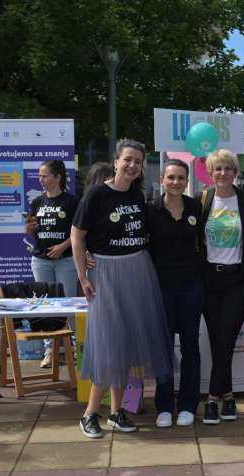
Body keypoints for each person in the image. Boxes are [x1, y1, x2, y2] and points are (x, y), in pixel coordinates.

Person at [71, 138, 172, 437]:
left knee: (125, 343)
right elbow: (77, 237)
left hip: (137, 271)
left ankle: (116, 412)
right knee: (108, 344)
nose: (131, 165)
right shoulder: (96, 195)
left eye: (137, 162)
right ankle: (90, 413)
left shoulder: (139, 197)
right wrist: (83, 276)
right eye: (127, 159)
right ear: (116, 161)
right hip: (106, 274)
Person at [198, 149, 244, 425]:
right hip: (210, 279)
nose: (223, 173)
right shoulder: (203, 200)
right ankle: (229, 395)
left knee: (225, 339)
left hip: (237, 280)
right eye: (218, 169)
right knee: (217, 341)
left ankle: (212, 398)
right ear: (210, 173)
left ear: (235, 172)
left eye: (228, 168)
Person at [147, 159, 204, 428]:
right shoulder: (151, 210)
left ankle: (189, 403)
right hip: (161, 288)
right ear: (162, 180)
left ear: (187, 180)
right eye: (171, 177)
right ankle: (165, 405)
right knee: (164, 348)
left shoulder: (195, 207)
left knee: (191, 346)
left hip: (192, 286)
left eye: (181, 178)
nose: (176, 182)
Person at [26, 161, 80, 368]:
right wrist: (29, 229)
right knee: (45, 305)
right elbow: (32, 232)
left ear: (58, 177)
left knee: (68, 304)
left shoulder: (72, 201)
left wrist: (62, 246)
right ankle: (50, 350)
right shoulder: (37, 202)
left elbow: (79, 232)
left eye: (45, 176)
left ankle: (72, 348)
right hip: (41, 259)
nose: (41, 180)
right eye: (39, 176)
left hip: (66, 260)